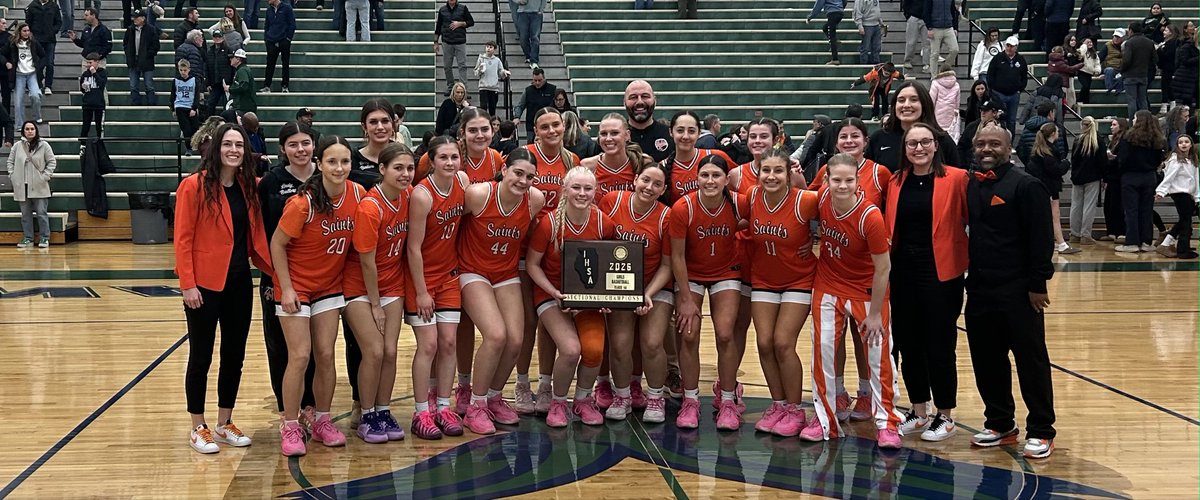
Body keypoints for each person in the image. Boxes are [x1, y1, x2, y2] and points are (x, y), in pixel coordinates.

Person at [174, 122, 272, 454]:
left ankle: (224, 421)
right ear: (216, 147)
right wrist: (188, 284)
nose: (233, 150)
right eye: (227, 144)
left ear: (246, 151)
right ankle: (197, 426)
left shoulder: (249, 186)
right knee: (200, 355)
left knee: (234, 354)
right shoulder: (193, 186)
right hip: (203, 285)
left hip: (239, 281)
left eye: (239, 145)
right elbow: (183, 239)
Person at [965, 121, 1057, 459]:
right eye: (981, 144)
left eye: (994, 144)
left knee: (1030, 361)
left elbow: (1041, 239)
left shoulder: (1027, 185)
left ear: (1009, 148)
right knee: (987, 360)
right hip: (979, 288)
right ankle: (1000, 423)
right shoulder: (970, 186)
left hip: (1019, 291)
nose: (987, 150)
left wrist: (1038, 284)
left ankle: (1042, 429)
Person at [800, 152, 903, 448]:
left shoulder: (870, 216)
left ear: (858, 181)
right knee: (823, 352)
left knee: (878, 357)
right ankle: (825, 420)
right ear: (826, 180)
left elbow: (883, 268)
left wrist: (874, 314)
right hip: (828, 284)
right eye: (836, 180)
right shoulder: (820, 199)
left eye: (848, 180)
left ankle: (887, 422)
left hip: (866, 291)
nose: (842, 186)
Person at [270, 135, 363, 456]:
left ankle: (322, 419)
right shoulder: (302, 203)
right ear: (319, 164)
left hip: (329, 286)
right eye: (332, 161)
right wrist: (287, 288)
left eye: (345, 161)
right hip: (296, 285)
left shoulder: (357, 194)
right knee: (299, 355)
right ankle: (291, 424)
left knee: (326, 354)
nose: (340, 168)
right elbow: (277, 245)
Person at [885, 122, 969, 442]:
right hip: (902, 273)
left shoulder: (958, 179)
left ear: (935, 145)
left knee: (940, 345)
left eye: (924, 142)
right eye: (912, 144)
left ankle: (945, 415)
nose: (918, 148)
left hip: (942, 274)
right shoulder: (895, 182)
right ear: (904, 149)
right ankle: (919, 411)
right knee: (908, 344)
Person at [457, 149, 545, 433]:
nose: (523, 180)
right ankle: (476, 405)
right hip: (472, 270)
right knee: (496, 336)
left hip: (506, 272)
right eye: (518, 173)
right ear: (504, 169)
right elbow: (449, 226)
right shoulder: (478, 194)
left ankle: (494, 397)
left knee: (516, 341)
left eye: (529, 176)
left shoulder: (535, 200)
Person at [525, 167, 613, 427]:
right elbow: (532, 265)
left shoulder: (603, 223)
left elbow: (608, 264)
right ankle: (559, 402)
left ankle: (584, 400)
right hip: (552, 294)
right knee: (571, 350)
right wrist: (553, 292)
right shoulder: (549, 223)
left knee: (594, 350)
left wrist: (608, 296)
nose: (582, 193)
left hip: (587, 298)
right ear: (565, 189)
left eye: (588, 188)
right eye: (576, 187)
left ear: (595, 192)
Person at [741, 148, 819, 435]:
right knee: (764, 343)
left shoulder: (806, 200)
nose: (771, 176)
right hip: (763, 278)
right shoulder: (751, 196)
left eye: (778, 171)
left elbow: (838, 218)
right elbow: (739, 222)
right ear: (758, 172)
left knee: (783, 342)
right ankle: (779, 404)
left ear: (789, 174)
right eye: (766, 170)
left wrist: (815, 240)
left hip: (798, 279)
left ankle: (796, 410)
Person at [342, 143, 414, 443]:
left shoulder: (408, 196)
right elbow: (367, 262)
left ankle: (383, 410)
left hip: (393, 284)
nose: (405, 174)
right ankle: (367, 414)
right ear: (382, 170)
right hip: (361, 287)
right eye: (398, 168)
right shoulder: (371, 207)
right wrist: (375, 305)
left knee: (390, 351)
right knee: (373, 351)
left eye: (409, 168)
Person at [669, 154, 746, 430]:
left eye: (716, 175)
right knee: (688, 335)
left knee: (725, 334)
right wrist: (687, 299)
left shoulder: (738, 203)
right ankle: (690, 400)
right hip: (691, 274)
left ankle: (727, 399)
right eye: (705, 175)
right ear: (697, 178)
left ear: (726, 179)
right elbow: (676, 257)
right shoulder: (683, 208)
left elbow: (760, 222)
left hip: (726, 272)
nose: (710, 180)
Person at [516, 108, 581, 414]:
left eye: (556, 124)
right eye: (545, 126)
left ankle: (545, 384)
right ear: (535, 130)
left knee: (549, 322)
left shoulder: (572, 160)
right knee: (528, 322)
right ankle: (521, 383)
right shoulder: (525, 155)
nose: (552, 130)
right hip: (524, 248)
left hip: (559, 252)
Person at [598, 161, 673, 422]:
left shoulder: (666, 216)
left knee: (652, 343)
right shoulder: (611, 201)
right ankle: (622, 395)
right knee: (619, 345)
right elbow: (597, 245)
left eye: (657, 184)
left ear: (663, 190)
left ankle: (655, 397)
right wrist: (602, 291)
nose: (649, 187)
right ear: (635, 180)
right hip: (618, 286)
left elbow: (667, 266)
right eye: (645, 180)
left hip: (655, 285)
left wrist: (648, 293)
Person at [406, 136, 469, 439]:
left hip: (450, 276)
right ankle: (421, 413)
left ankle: (444, 406)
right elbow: (413, 248)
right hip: (423, 279)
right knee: (428, 345)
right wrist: (421, 291)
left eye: (454, 157)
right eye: (443, 157)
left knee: (448, 344)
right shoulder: (422, 195)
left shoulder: (463, 181)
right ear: (431, 161)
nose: (449, 163)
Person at [258, 122, 318, 426]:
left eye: (305, 143)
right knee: (281, 346)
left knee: (315, 348)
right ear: (283, 149)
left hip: (318, 278)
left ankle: (310, 406)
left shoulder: (324, 180)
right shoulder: (271, 182)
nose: (300, 150)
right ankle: (286, 409)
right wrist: (270, 274)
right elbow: (262, 232)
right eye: (293, 144)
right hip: (278, 278)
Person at [866, 81, 960, 171]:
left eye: (914, 100)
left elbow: (957, 179)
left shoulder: (942, 140)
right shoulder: (878, 138)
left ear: (924, 104)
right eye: (901, 100)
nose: (906, 105)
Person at [1114, 110, 1167, 253]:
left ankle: (1131, 242)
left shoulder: (1128, 137)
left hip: (1130, 176)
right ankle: (1146, 242)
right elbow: (1159, 160)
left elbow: (1122, 159)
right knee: (1147, 210)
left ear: (1139, 120)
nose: (1132, 120)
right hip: (1149, 177)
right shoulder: (1157, 139)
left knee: (1131, 210)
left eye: (1135, 118)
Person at [1026, 123, 1080, 254]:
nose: (1058, 133)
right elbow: (1056, 171)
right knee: (1055, 216)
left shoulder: (1039, 150)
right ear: (1052, 134)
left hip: (1043, 187)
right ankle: (1061, 243)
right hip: (1049, 188)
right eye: (1057, 131)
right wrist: (1066, 163)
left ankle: (1053, 241)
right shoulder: (1047, 153)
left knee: (1049, 216)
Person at [663, 110, 736, 203]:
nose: (685, 136)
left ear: (699, 133)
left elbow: (738, 184)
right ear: (670, 132)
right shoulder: (663, 167)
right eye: (680, 130)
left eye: (691, 131)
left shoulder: (716, 156)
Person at [7, 121, 55, 249]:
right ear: (23, 131)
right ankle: (28, 238)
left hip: (39, 185)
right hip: (22, 186)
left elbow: (51, 162)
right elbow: (10, 162)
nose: (29, 131)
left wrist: (44, 177)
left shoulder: (44, 145)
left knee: (41, 213)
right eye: (27, 129)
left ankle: (45, 237)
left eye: (32, 129)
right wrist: (13, 176)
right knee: (25, 214)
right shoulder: (17, 146)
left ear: (36, 130)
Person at [1155, 134, 1199, 258]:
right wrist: (1161, 191)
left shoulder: (1192, 160)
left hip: (1188, 194)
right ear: (1177, 145)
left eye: (1186, 142)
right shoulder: (1175, 159)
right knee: (1185, 221)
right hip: (1179, 193)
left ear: (1191, 144)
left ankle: (1167, 243)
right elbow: (1169, 177)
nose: (1183, 144)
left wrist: (1196, 197)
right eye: (1180, 142)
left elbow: (1195, 180)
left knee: (1185, 221)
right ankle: (1182, 250)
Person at [1068, 116, 1107, 245]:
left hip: (1077, 176)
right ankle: (1086, 234)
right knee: (1089, 207)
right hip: (1093, 177)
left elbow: (1073, 160)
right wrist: (1103, 177)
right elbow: (1102, 162)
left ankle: (1074, 234)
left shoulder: (1077, 140)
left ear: (1082, 125)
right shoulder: (1098, 141)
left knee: (1076, 206)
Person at [987, 35, 1029, 137]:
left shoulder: (1020, 60)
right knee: (999, 118)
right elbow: (990, 74)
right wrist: (993, 89)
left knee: (1012, 120)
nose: (1009, 48)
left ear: (1016, 47)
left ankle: (1010, 141)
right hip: (999, 93)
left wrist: (1020, 88)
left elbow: (1024, 76)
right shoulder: (997, 58)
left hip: (1014, 95)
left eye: (1012, 46)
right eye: (1008, 45)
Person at [351, 98, 396, 188]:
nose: (380, 127)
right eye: (373, 122)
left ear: (393, 124)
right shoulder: (351, 159)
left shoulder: (405, 157)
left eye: (385, 121)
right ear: (364, 127)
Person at [6, 25, 45, 127]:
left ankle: (37, 116)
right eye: (24, 31)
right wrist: (6, 62)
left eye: (28, 30)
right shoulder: (12, 43)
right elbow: (1, 53)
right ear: (19, 32)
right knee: (18, 101)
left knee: (35, 95)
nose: (27, 33)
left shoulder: (33, 42)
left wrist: (39, 67)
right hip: (19, 74)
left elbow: (43, 55)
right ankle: (19, 124)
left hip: (32, 73)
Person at [625, 80, 673, 162]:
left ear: (655, 101)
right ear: (624, 102)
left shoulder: (670, 135)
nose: (639, 102)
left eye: (645, 96)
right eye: (633, 97)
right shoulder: (614, 137)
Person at [435, 0, 473, 96]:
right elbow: (438, 26)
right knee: (447, 66)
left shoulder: (463, 8)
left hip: (460, 42)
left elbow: (471, 22)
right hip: (447, 42)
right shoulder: (442, 10)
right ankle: (450, 87)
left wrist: (460, 24)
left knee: (462, 66)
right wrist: (436, 42)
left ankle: (463, 89)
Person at [1099, 117, 1128, 242]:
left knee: (1118, 206)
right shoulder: (1113, 141)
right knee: (1109, 206)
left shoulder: (1124, 140)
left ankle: (1121, 232)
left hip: (1119, 177)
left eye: (1114, 124)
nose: (1111, 127)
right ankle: (1111, 231)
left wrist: (1113, 158)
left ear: (1121, 126)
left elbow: (1123, 159)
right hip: (1111, 177)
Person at [122, 10, 159, 106]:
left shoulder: (151, 29)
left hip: (147, 61)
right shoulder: (130, 29)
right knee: (133, 85)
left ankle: (151, 102)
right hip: (133, 60)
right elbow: (125, 44)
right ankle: (135, 102)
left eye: (137, 17)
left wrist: (148, 54)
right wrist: (128, 54)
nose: (134, 19)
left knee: (149, 84)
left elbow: (156, 45)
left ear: (143, 18)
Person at [1120, 22, 1157, 118]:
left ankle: (1133, 124)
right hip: (1143, 74)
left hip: (1130, 76)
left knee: (1132, 101)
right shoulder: (1149, 42)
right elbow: (1155, 59)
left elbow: (1127, 60)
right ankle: (1145, 124)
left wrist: (1122, 70)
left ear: (1131, 31)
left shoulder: (1130, 43)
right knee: (1143, 100)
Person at [25, 0, 59, 96]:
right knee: (36, 63)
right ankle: (37, 83)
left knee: (50, 63)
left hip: (50, 40)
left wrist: (53, 31)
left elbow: (58, 22)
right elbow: (28, 22)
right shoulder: (32, 6)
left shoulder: (54, 6)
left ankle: (48, 85)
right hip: (36, 39)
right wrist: (31, 34)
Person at [512, 68, 556, 141]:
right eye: (535, 80)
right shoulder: (528, 91)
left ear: (544, 78)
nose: (537, 83)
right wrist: (517, 117)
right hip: (531, 125)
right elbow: (520, 106)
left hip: (548, 123)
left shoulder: (552, 89)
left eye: (540, 80)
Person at [261, 0, 295, 94]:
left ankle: (285, 86)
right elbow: (267, 25)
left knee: (285, 64)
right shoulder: (269, 10)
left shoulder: (287, 8)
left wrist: (288, 38)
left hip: (284, 40)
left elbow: (292, 24)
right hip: (271, 40)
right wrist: (266, 38)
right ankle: (267, 86)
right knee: (270, 64)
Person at [171, 60, 200, 155]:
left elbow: (196, 95)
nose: (183, 72)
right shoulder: (176, 81)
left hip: (190, 107)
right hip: (180, 106)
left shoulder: (194, 80)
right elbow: (173, 95)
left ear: (188, 70)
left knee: (195, 128)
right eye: (181, 70)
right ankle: (189, 149)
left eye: (185, 70)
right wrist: (172, 108)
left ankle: (195, 145)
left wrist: (194, 108)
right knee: (186, 129)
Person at [922, 0, 960, 72]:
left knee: (955, 50)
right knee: (935, 54)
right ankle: (934, 76)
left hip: (949, 27)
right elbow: (926, 11)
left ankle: (944, 69)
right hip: (935, 28)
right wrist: (929, 28)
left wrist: (955, 27)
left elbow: (953, 11)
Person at [474, 40, 508, 116]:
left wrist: (504, 73)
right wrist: (480, 70)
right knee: (483, 107)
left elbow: (500, 71)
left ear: (495, 50)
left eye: (491, 47)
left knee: (492, 108)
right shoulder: (481, 59)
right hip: (483, 87)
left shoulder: (497, 60)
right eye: (487, 47)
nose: (488, 49)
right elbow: (476, 72)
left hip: (493, 88)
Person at [807, 0, 846, 65]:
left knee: (831, 35)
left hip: (832, 13)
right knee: (825, 28)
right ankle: (836, 42)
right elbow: (844, 1)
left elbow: (818, 5)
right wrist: (841, 8)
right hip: (840, 12)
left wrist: (810, 16)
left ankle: (835, 59)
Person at [929, 63, 961, 141]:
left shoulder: (935, 83)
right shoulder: (956, 85)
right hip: (951, 114)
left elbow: (931, 100)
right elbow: (957, 103)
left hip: (937, 114)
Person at [205, 29, 232, 116]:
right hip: (215, 83)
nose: (217, 38)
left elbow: (232, 67)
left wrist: (231, 82)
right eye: (215, 37)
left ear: (223, 37)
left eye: (219, 36)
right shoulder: (210, 51)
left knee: (227, 106)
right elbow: (207, 68)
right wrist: (208, 83)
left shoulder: (228, 50)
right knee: (210, 104)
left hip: (227, 83)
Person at [223, 49, 255, 114]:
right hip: (244, 106)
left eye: (232, 58)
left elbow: (244, 86)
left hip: (244, 107)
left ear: (238, 59)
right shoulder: (242, 70)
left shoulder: (242, 71)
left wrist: (230, 89)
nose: (230, 59)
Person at [1171, 33, 1198, 110]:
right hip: (1187, 78)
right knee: (1187, 102)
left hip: (1195, 78)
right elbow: (1185, 61)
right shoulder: (1186, 47)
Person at [514, 0, 544, 68]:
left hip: (536, 13)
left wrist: (541, 10)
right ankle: (529, 55)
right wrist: (518, 1)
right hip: (522, 13)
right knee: (523, 38)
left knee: (535, 37)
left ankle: (534, 60)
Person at [902, 0, 929, 70]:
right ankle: (907, 61)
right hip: (913, 17)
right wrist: (908, 16)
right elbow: (905, 3)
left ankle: (927, 64)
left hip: (927, 19)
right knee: (911, 42)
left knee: (927, 43)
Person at [853, 0, 882, 65]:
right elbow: (857, 12)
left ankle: (876, 65)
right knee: (865, 48)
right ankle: (864, 65)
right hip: (866, 25)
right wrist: (860, 26)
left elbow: (877, 9)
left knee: (877, 47)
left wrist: (881, 22)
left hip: (876, 24)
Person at [1099, 28, 1125, 94]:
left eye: (1118, 37)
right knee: (1109, 70)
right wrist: (1100, 72)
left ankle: (1119, 90)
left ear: (1123, 38)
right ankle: (1110, 90)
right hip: (1110, 68)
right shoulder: (1107, 45)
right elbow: (1099, 59)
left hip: (1122, 68)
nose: (1116, 39)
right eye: (1115, 36)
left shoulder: (1127, 46)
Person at [1077, 37, 1101, 104]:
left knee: (1087, 88)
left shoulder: (1094, 53)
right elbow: (1081, 54)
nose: (1090, 43)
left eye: (1090, 42)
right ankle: (1079, 100)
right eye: (1088, 42)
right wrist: (1084, 45)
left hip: (1089, 73)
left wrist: (1097, 70)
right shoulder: (1081, 50)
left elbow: (1097, 63)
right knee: (1085, 86)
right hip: (1082, 72)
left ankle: (1086, 102)